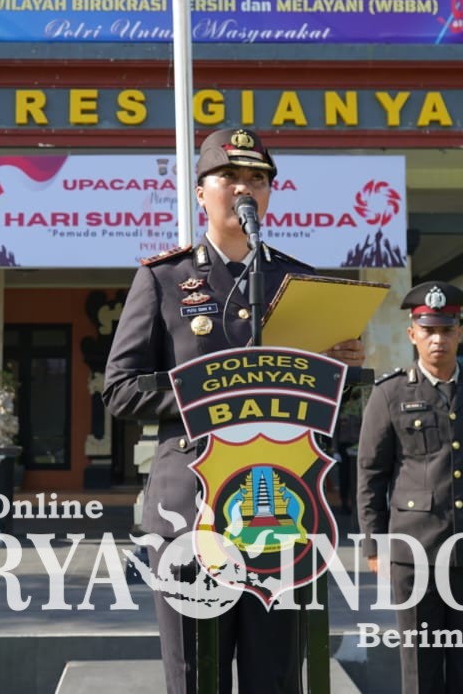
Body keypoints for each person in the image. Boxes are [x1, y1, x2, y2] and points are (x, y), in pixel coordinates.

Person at [103, 128, 365, 694]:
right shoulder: (164, 278)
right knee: (197, 677)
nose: (245, 188)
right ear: (201, 192)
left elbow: (322, 410)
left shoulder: (298, 281)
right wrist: (212, 397)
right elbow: (120, 390)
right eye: (230, 177)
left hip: (281, 506)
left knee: (276, 677)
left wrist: (338, 369)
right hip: (189, 509)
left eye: (257, 179)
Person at [357, 280, 463, 694]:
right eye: (428, 330)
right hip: (414, 555)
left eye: (446, 330)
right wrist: (374, 545)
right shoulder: (390, 393)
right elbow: (371, 474)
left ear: (459, 333)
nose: (438, 340)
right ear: (412, 334)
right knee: (420, 670)